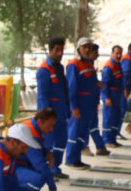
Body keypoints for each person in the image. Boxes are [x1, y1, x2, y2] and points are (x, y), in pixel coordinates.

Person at [36, 37, 70, 180]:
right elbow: (43, 96)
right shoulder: (43, 70)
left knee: (61, 141)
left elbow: (64, 91)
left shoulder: (60, 68)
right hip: (49, 116)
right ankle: (47, 171)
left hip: (61, 114)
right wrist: (45, 117)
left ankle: (55, 168)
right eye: (57, 50)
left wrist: (67, 110)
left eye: (61, 50)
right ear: (50, 50)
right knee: (48, 143)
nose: (60, 53)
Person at [64, 37, 99, 169]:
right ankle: (70, 159)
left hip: (89, 106)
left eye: (89, 47)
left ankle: (77, 159)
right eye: (84, 47)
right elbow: (71, 88)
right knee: (74, 133)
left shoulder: (89, 64)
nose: (87, 49)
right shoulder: (74, 65)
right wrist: (74, 107)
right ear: (78, 49)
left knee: (82, 134)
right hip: (79, 105)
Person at [17, 109, 62, 191]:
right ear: (40, 121)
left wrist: (47, 153)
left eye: (53, 126)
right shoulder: (31, 134)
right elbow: (40, 165)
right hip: (13, 168)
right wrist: (53, 188)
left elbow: (38, 149)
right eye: (49, 126)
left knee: (42, 170)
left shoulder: (32, 126)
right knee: (40, 176)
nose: (51, 129)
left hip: (20, 163)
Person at [87, 42, 111, 157]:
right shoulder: (84, 65)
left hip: (93, 100)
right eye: (95, 52)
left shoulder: (90, 65)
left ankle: (100, 147)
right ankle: (85, 147)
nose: (97, 55)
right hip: (85, 102)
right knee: (85, 127)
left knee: (93, 126)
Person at [101, 45, 125, 147]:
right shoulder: (108, 66)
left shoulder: (118, 65)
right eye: (116, 53)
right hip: (111, 94)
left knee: (116, 117)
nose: (119, 55)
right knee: (108, 118)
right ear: (112, 53)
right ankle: (107, 140)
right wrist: (107, 98)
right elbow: (104, 84)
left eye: (120, 53)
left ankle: (113, 139)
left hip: (118, 94)